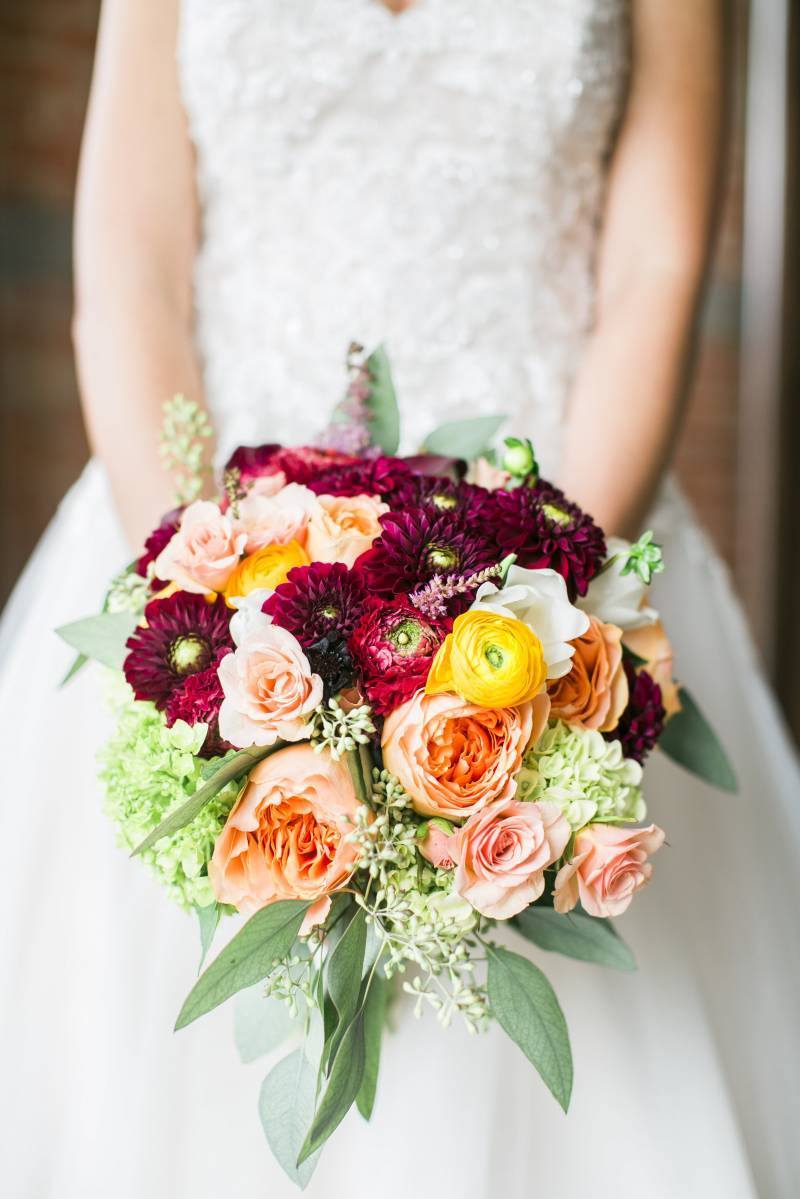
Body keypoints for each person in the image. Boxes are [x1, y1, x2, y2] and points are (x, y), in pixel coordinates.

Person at [1, 1, 798, 1195]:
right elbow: (131, 265)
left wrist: (537, 618)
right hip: (202, 544)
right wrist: (208, 604)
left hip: (562, 545)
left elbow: (654, 266)